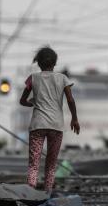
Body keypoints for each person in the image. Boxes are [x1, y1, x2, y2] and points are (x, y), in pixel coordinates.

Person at [19, 46, 80, 192]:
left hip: (37, 126)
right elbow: (71, 100)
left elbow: (22, 101)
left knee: (34, 164)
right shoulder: (63, 79)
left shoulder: (32, 78)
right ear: (55, 63)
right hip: (56, 126)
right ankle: (47, 194)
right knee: (51, 164)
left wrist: (32, 102)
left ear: (38, 63)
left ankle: (30, 194)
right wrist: (74, 119)